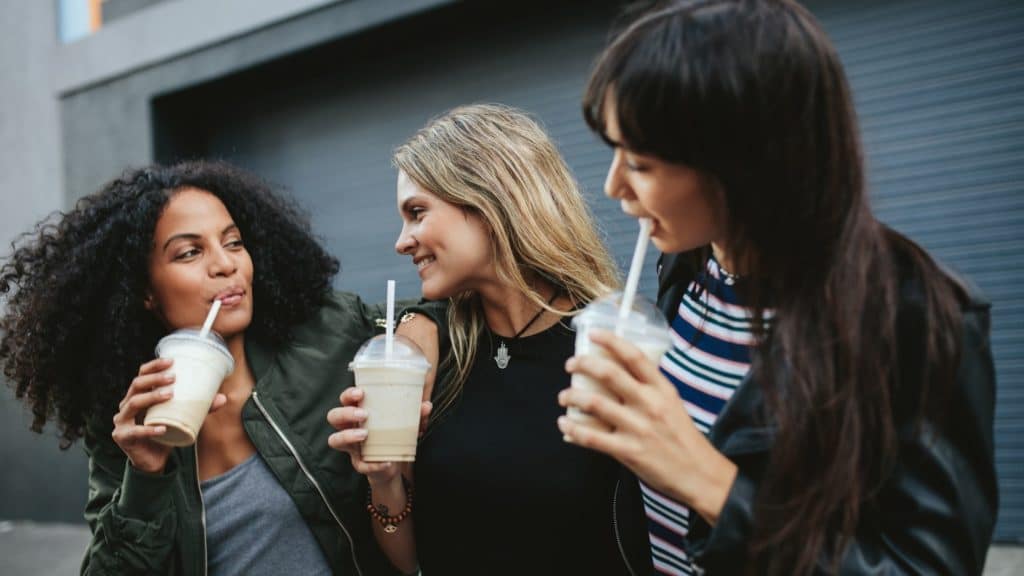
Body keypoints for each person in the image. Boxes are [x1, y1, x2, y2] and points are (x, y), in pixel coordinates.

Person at [557, 1, 999, 574]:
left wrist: (710, 483)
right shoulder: (688, 266)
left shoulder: (914, 317)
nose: (613, 185)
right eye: (614, 151)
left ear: (742, 162)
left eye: (639, 162)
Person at [0, 161, 401, 575]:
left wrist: (416, 327)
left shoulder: (323, 338)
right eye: (190, 252)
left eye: (233, 242)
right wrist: (145, 476)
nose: (225, 265)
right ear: (145, 293)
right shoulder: (129, 427)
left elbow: (430, 315)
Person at [327, 104, 655, 574]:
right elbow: (409, 561)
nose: (402, 241)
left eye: (417, 213)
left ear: (489, 201)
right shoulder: (433, 357)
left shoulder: (607, 346)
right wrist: (384, 480)